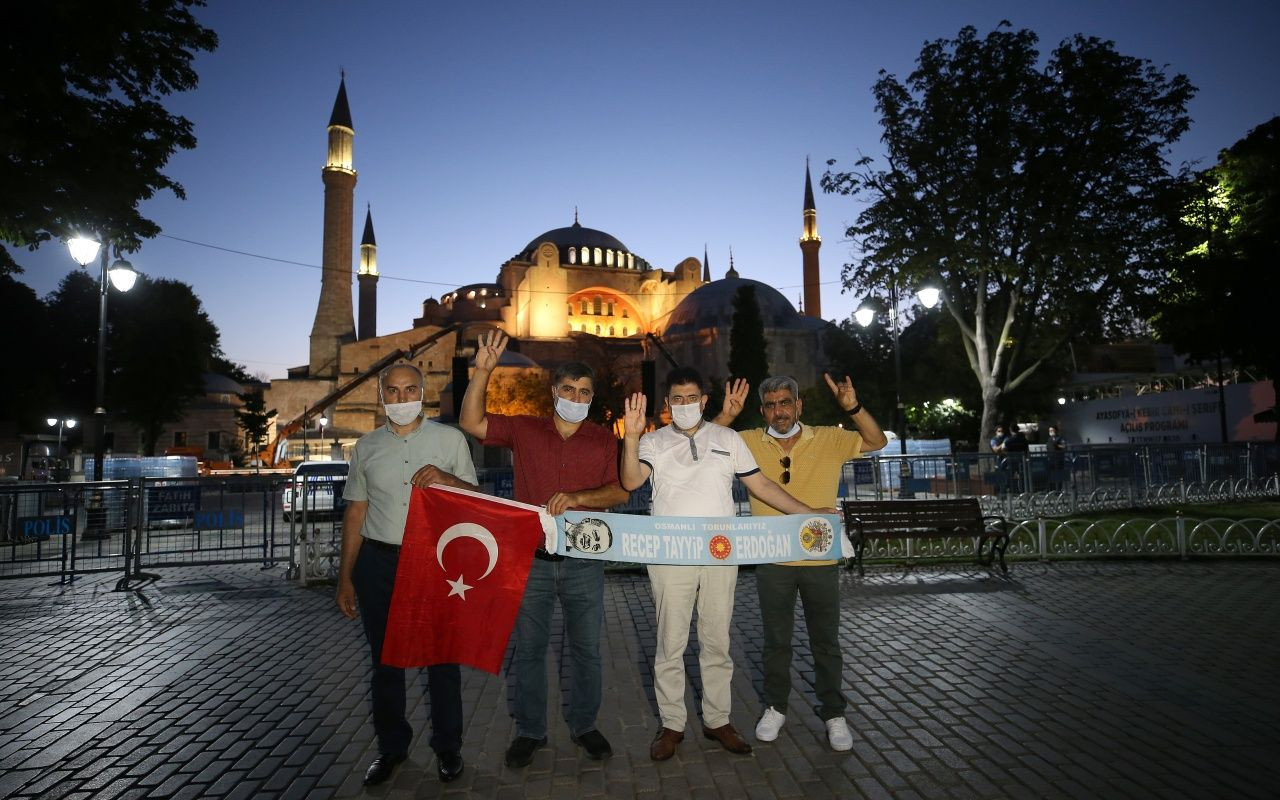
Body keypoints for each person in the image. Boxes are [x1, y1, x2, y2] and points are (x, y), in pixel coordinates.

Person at [620, 366, 830, 762]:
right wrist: (631, 438)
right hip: (671, 556)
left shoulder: (727, 438)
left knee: (717, 640)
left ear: (704, 401)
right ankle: (672, 724)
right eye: (677, 399)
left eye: (691, 398)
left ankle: (718, 720)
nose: (685, 405)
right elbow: (631, 482)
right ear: (668, 403)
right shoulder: (653, 442)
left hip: (719, 553)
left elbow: (761, 485)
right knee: (670, 642)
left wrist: (808, 514)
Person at [459, 330, 628, 768]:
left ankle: (585, 725)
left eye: (584, 392)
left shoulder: (603, 439)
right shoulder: (525, 429)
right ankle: (530, 731)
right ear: (554, 391)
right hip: (530, 561)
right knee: (530, 649)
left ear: (592, 397)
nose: (576, 398)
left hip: (584, 561)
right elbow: (472, 423)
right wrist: (482, 372)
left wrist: (578, 498)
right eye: (569, 389)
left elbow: (619, 491)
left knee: (586, 649)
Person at [716, 373, 887, 752]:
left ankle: (833, 713)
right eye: (771, 405)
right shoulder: (747, 441)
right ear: (762, 411)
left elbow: (877, 441)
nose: (779, 411)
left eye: (785, 402)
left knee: (825, 642)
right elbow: (705, 443)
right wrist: (727, 415)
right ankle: (775, 707)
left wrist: (853, 408)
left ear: (798, 405)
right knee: (776, 642)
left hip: (819, 558)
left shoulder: (828, 438)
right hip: (773, 559)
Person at [335, 363, 479, 786]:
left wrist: (448, 479)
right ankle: (391, 748)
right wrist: (345, 576)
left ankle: (448, 747)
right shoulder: (365, 448)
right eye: (393, 391)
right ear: (381, 396)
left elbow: (475, 500)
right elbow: (356, 512)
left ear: (424, 391)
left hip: (433, 562)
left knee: (441, 659)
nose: (402, 399)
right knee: (385, 661)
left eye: (410, 390)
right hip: (378, 563)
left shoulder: (450, 440)